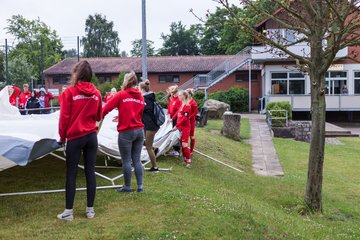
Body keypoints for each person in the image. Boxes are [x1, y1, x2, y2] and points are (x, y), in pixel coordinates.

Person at [57, 60, 102, 221]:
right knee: (90, 172)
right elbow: (98, 116)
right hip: (91, 137)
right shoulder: (97, 93)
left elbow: (64, 118)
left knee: (71, 174)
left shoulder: (69, 93)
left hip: (75, 137)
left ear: (76, 74)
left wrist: (62, 137)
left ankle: (68, 212)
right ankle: (90, 210)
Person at [102, 71, 145, 192]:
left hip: (126, 132)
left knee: (126, 160)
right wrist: (122, 116)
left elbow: (105, 109)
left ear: (126, 81)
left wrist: (95, 117)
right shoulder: (140, 96)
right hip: (139, 131)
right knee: (136, 159)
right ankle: (140, 186)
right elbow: (138, 114)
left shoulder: (121, 94)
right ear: (136, 83)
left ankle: (127, 186)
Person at [139, 80, 160, 172]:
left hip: (151, 126)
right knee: (144, 142)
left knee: (148, 146)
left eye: (139, 88)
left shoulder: (146, 99)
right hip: (148, 124)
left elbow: (143, 111)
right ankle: (154, 149)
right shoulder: (148, 98)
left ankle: (155, 167)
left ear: (142, 89)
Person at [173, 90, 192, 168]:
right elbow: (178, 113)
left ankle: (189, 163)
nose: (178, 97)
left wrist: (176, 126)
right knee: (182, 144)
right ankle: (185, 160)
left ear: (184, 96)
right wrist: (173, 119)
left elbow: (184, 118)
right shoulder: (182, 104)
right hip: (180, 127)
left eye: (180, 95)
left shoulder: (187, 106)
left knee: (184, 144)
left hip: (185, 128)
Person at [167, 85, 182, 155]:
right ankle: (174, 148)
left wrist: (172, 118)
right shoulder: (172, 98)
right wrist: (168, 115)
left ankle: (177, 150)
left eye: (170, 92)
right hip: (171, 118)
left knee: (176, 133)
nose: (169, 93)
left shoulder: (178, 99)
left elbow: (178, 111)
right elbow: (170, 107)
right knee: (172, 133)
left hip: (176, 119)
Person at [186, 88, 198, 154]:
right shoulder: (185, 101)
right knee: (184, 135)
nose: (185, 95)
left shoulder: (193, 103)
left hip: (191, 121)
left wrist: (188, 117)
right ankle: (183, 148)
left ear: (190, 94)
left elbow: (195, 112)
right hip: (185, 121)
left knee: (191, 135)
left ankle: (191, 150)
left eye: (187, 94)